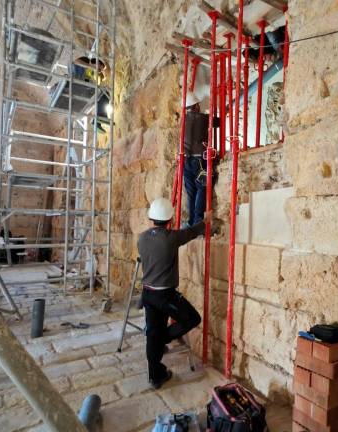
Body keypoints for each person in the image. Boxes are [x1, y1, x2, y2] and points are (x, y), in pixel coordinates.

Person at [137, 198, 211, 389]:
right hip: (165, 296)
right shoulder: (171, 238)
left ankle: (156, 375)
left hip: (148, 294)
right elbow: (193, 231)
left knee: (153, 332)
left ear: (152, 218)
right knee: (192, 318)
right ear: (169, 220)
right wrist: (206, 221)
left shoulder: (142, 238)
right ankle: (163, 338)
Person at [183, 92, 219, 227]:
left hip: (186, 161)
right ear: (196, 105)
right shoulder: (203, 118)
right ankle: (198, 222)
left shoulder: (182, 121)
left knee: (191, 192)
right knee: (202, 188)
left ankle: (191, 222)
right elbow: (217, 122)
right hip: (199, 160)